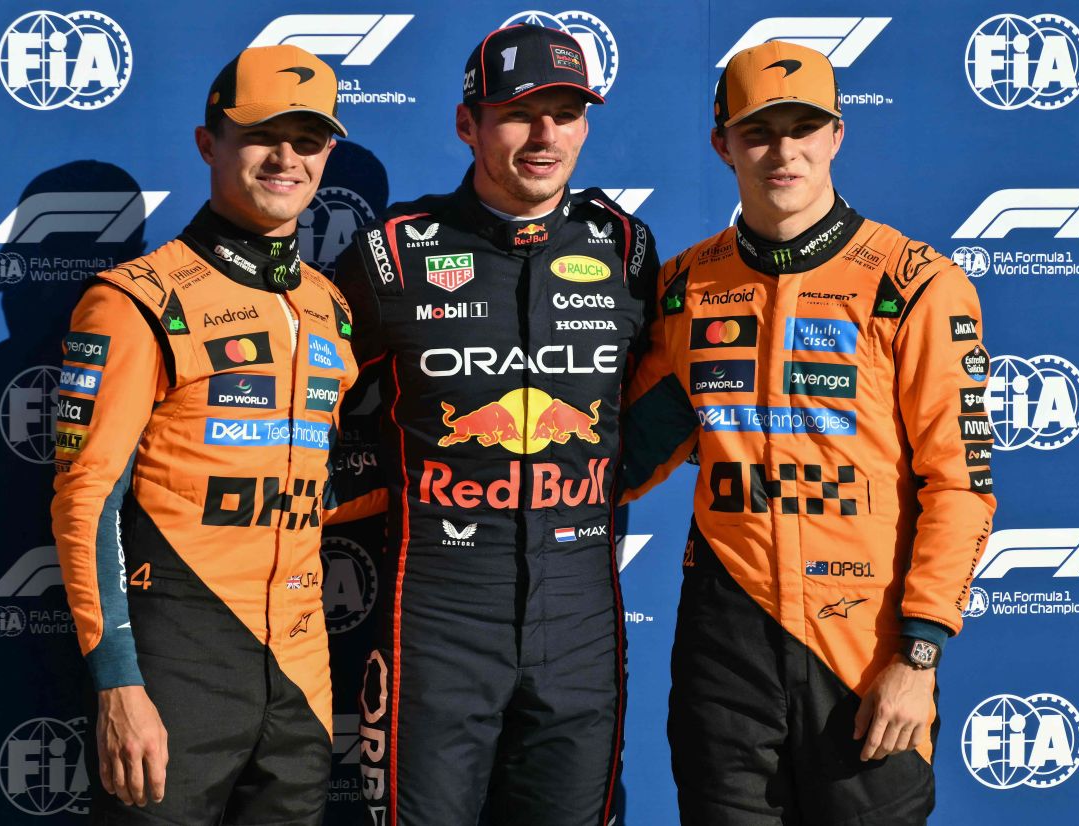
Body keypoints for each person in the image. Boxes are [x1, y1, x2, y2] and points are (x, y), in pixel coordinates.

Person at [621, 41, 996, 824]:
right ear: (722, 144)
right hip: (726, 643)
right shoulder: (689, 285)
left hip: (863, 652)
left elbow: (958, 483)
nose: (782, 152)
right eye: (758, 132)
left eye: (804, 128)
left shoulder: (914, 282)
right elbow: (629, 452)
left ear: (837, 136)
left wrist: (918, 655)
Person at [333, 23, 659, 826]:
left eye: (566, 111)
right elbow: (326, 417)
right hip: (437, 611)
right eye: (518, 112)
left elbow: (661, 406)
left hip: (581, 608)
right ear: (466, 123)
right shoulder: (393, 257)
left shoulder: (626, 247)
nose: (545, 135)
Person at [50, 44, 373, 824]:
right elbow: (86, 501)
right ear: (209, 143)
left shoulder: (331, 306)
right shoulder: (137, 299)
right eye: (263, 133)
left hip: (303, 674)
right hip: (178, 666)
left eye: (309, 139)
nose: (286, 158)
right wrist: (119, 684)